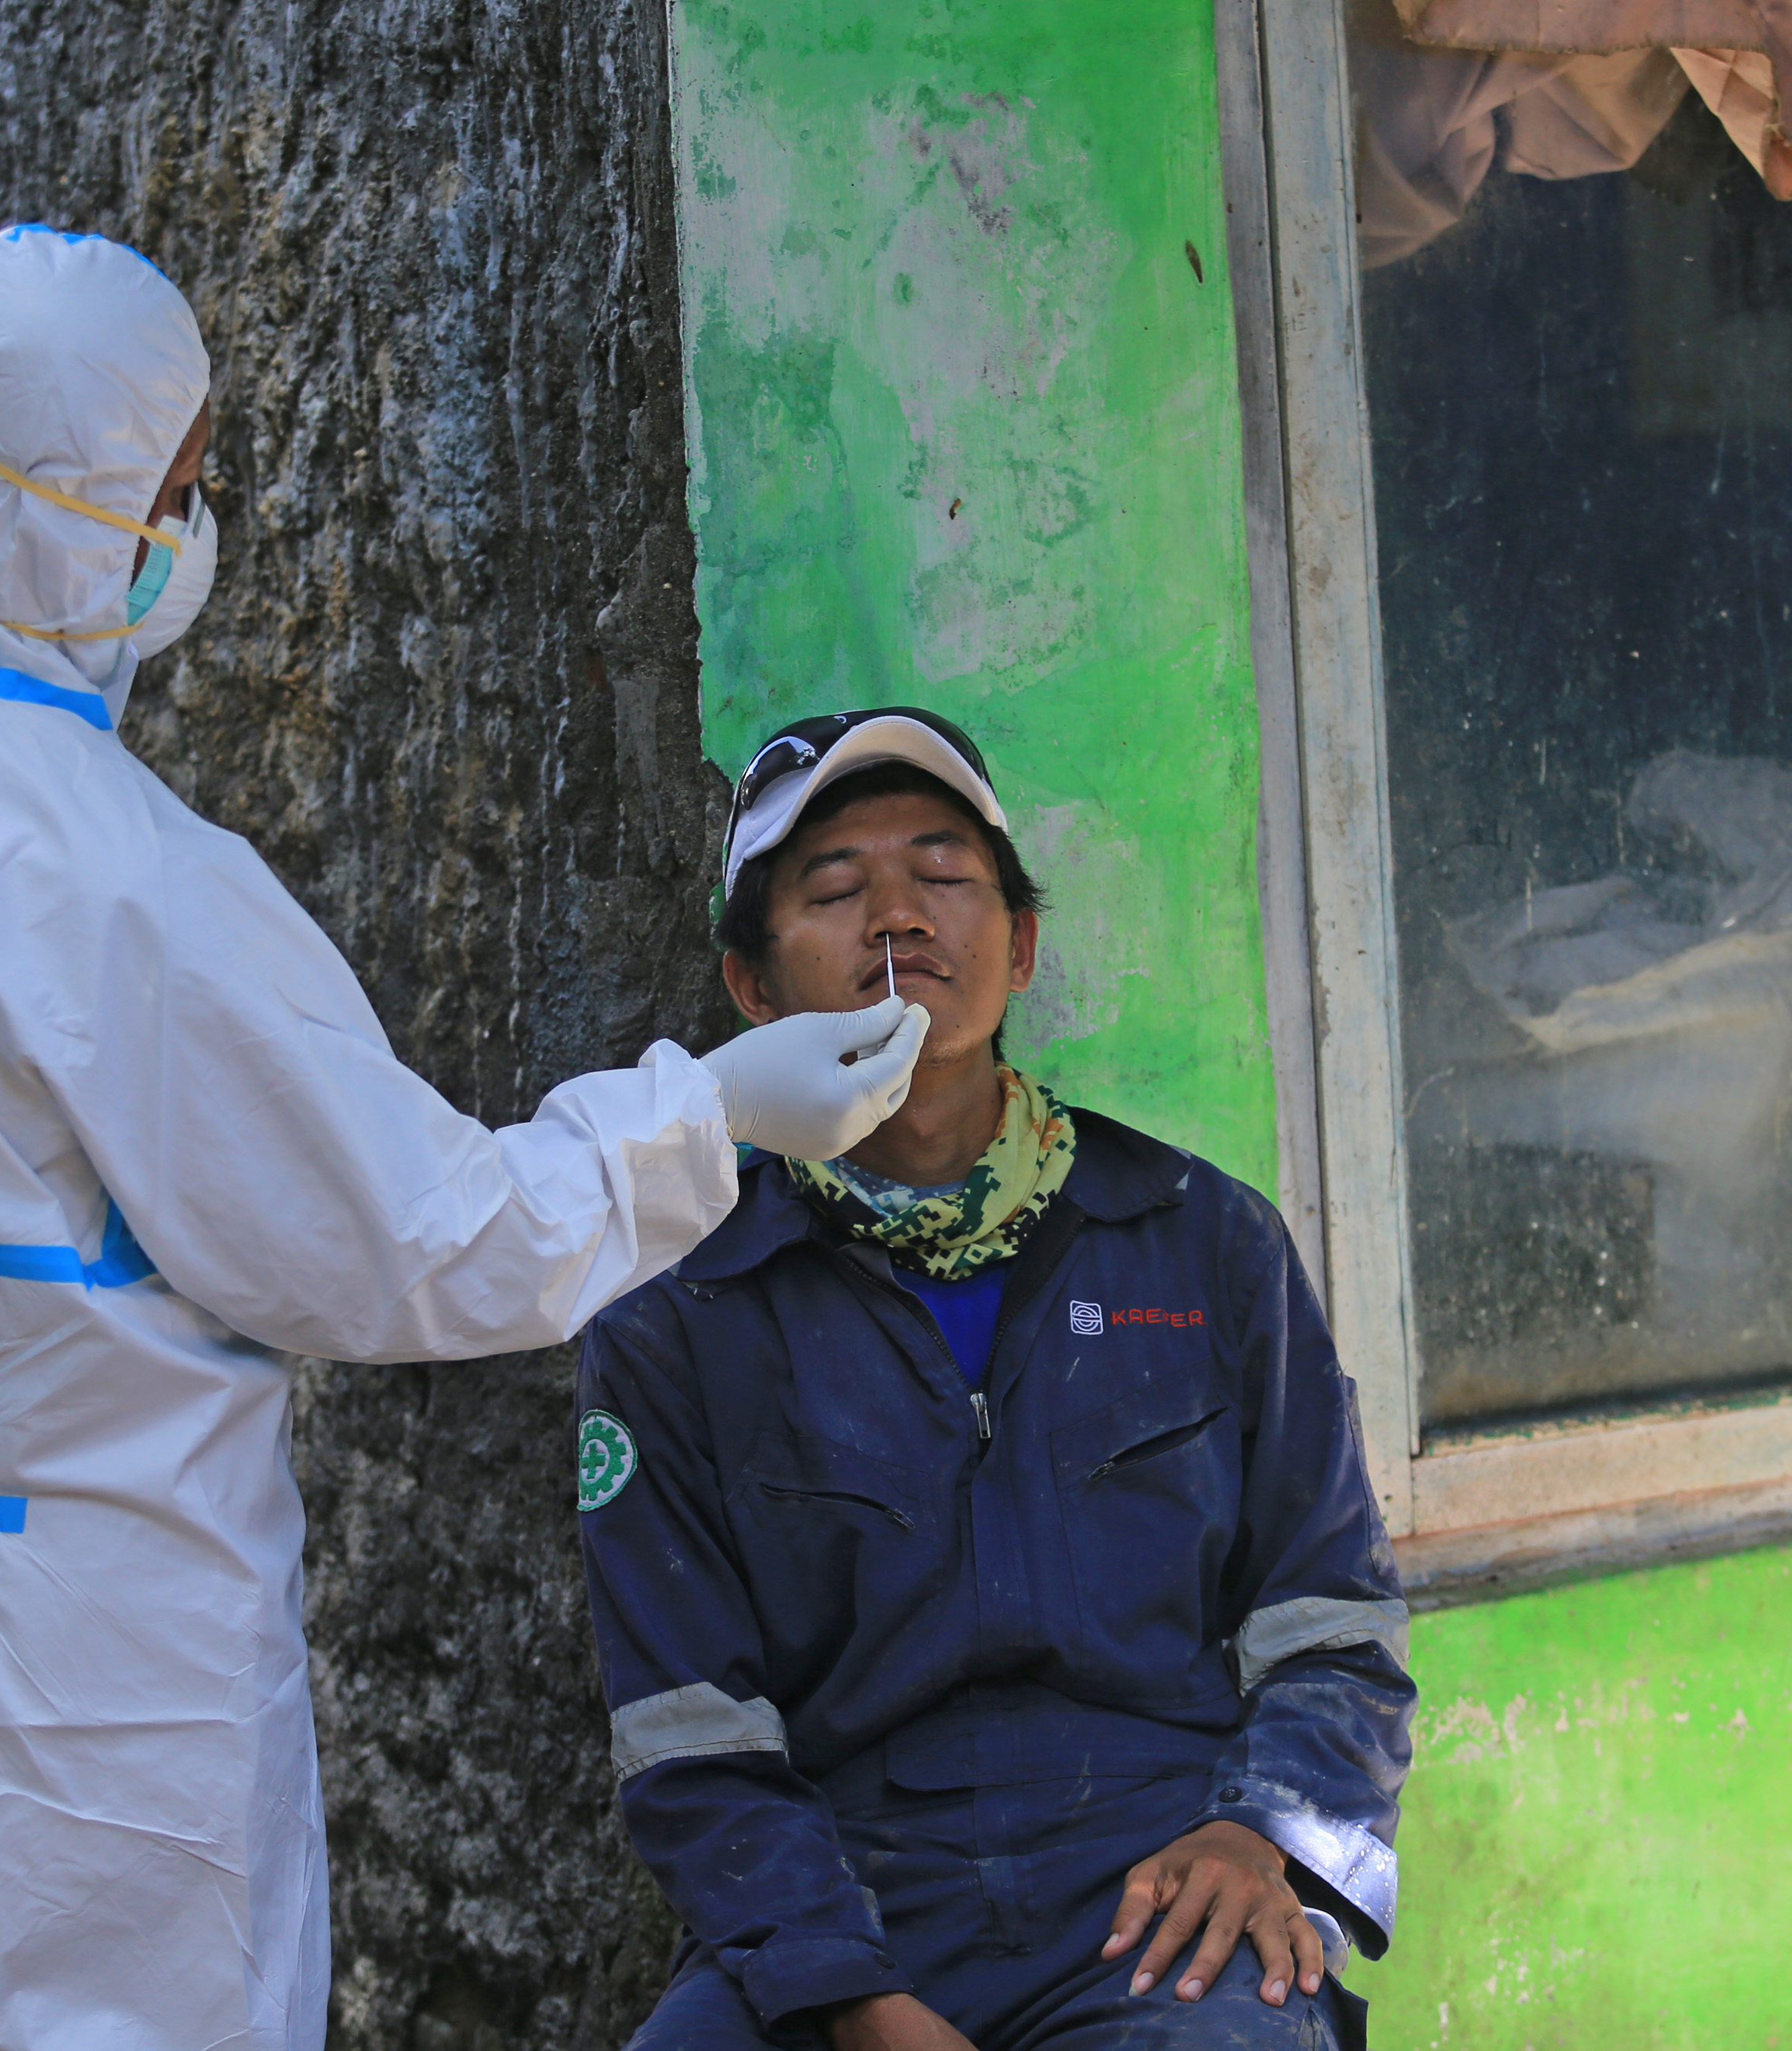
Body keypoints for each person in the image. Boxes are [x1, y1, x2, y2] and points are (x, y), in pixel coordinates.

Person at [0, 225, 925, 2051]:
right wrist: (712, 1114)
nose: (194, 530)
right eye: (176, 490)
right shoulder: (100, 868)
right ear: (58, 515)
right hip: (58, 1685)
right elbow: (413, 1235)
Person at [575, 710, 1417, 2051]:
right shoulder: (676, 1313)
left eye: (945, 874)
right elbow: (689, 1735)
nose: (898, 920)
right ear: (753, 989)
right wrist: (845, 1993)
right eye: (836, 889)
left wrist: (1267, 1840)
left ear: (1019, 947)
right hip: (843, 1900)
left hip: (1159, 1881)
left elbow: (1334, 1619)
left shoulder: (1207, 1239)